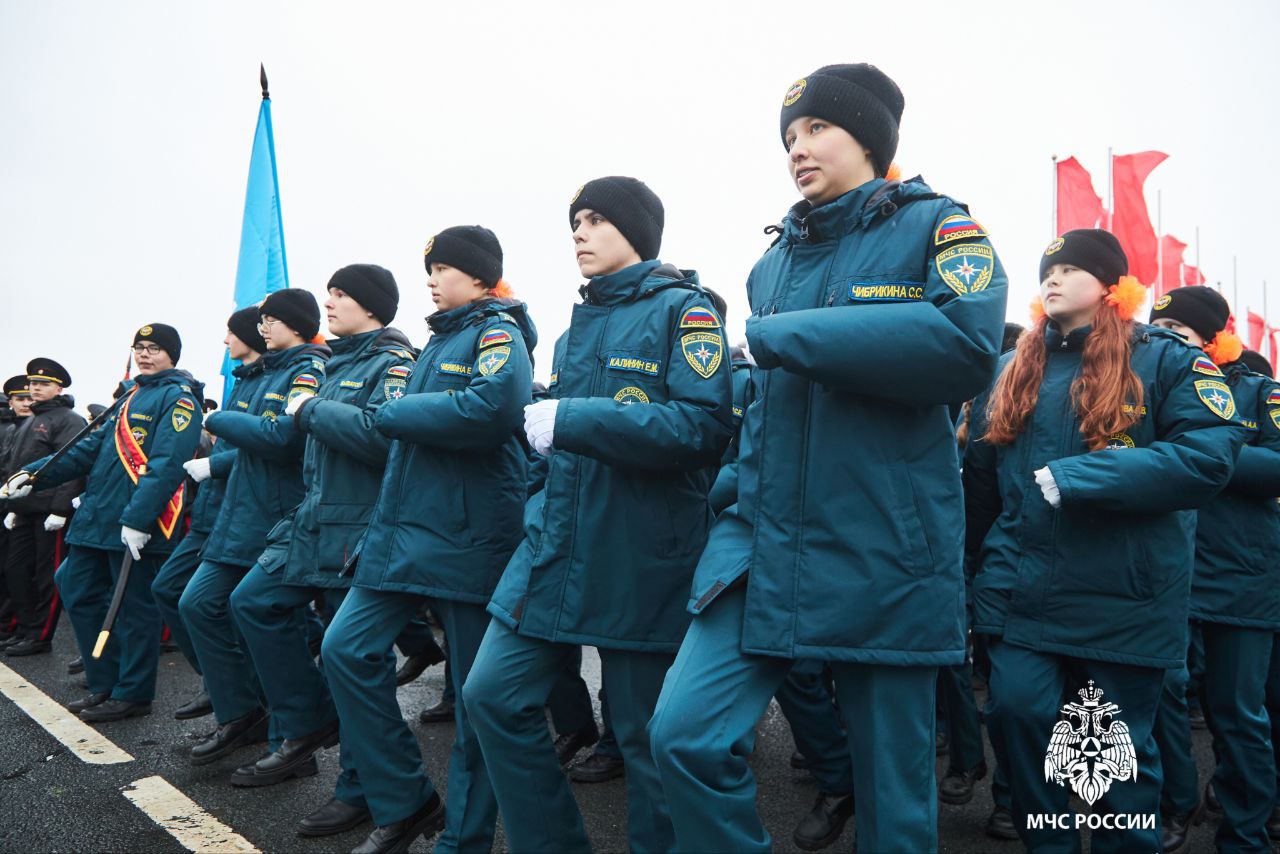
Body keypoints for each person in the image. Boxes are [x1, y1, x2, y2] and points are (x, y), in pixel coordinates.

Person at [649, 63, 1007, 854]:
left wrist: (786, 336)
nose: (797, 150)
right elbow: (766, 410)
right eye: (788, 138)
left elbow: (965, 345)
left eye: (817, 129)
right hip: (764, 538)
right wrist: (734, 495)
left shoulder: (938, 228)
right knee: (684, 736)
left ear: (872, 138)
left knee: (895, 806)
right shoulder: (772, 262)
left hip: (884, 544)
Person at [464, 176, 733, 853]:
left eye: (594, 220)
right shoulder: (568, 332)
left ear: (635, 230)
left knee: (645, 742)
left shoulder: (686, 312)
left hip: (642, 551)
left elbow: (702, 428)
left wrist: (577, 419)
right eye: (573, 222)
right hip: (556, 548)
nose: (578, 234)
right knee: (491, 695)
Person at [965, 230, 1251, 852]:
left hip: (1123, 600)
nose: (1054, 279)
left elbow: (1210, 457)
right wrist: (973, 582)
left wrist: (1082, 477)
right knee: (1017, 720)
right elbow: (982, 488)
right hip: (1023, 599)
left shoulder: (1167, 360)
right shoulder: (1013, 368)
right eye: (1049, 269)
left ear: (1113, 286)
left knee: (1113, 771)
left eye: (1072, 269)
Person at [321, 230, 536, 853]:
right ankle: (405, 799)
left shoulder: (499, 331)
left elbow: (493, 407)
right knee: (344, 650)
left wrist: (389, 416)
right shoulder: (437, 341)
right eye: (430, 269)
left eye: (445, 268)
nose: (433, 279)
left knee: (474, 704)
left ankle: (463, 839)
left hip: (470, 536)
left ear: (479, 277)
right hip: (403, 533)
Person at [228, 267, 420, 812]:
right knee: (252, 602)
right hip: (311, 519)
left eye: (341, 295)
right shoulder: (333, 364)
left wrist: (314, 410)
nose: (329, 303)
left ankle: (360, 789)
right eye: (329, 294)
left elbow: (385, 438)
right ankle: (310, 721)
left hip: (357, 528)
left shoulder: (393, 363)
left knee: (356, 665)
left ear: (373, 305)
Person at [4, 324, 204, 721]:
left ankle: (132, 693)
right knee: (73, 586)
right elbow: (86, 450)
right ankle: (104, 682)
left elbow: (166, 465)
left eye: (155, 348)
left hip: (134, 524)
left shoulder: (178, 399)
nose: (145, 354)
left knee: (133, 610)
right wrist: (35, 475)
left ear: (172, 355)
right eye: (140, 347)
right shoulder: (132, 395)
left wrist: (139, 519)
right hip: (99, 517)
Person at [1150, 286, 1280, 853]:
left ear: (1211, 338)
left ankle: (1246, 830)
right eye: (1160, 329)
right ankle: (1176, 804)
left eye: (1180, 331)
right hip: (1163, 571)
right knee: (1162, 696)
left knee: (1236, 713)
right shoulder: (1142, 388)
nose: (1167, 340)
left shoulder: (1260, 393)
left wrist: (1204, 452)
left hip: (1243, 578)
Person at [178, 290, 330, 772]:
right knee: (196, 604)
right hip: (238, 514)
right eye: (260, 319)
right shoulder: (264, 373)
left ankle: (292, 736)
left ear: (297, 324)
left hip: (276, 515)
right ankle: (242, 712)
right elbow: (250, 446)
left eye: (272, 319)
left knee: (260, 617)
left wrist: (219, 417)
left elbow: (282, 438)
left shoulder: (308, 370)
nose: (261, 327)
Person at [150, 308, 267, 721]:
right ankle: (219, 681)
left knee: (220, 606)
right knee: (168, 590)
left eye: (231, 334)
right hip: (212, 511)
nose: (225, 342)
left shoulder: (270, 381)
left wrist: (215, 465)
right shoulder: (243, 380)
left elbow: (270, 445)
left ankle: (242, 701)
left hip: (239, 512)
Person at [1, 358, 86, 656]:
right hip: (25, 510)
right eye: (33, 383)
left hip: (49, 513)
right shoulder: (29, 420)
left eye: (43, 384)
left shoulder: (69, 420)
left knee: (46, 575)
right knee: (17, 571)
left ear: (58, 387)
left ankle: (40, 635)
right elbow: (18, 468)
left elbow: (73, 467)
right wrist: (14, 505)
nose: (35, 388)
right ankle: (25, 629)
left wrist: (60, 509)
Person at [0, 375, 33, 643]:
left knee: (20, 569)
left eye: (28, 398)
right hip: (8, 504)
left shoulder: (38, 425)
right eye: (19, 399)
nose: (25, 403)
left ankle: (20, 626)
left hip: (30, 507)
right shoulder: (11, 428)